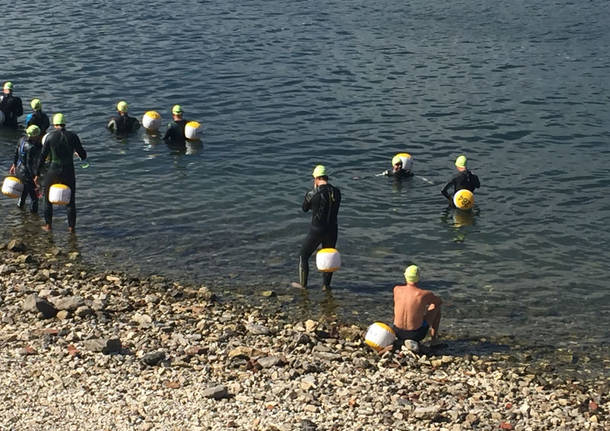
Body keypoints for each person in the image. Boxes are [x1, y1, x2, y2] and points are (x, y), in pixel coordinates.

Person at [34, 113, 87, 233]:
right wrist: (78, 154)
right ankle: (71, 228)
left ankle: (48, 226)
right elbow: (83, 155)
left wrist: (37, 173)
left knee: (47, 199)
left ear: (54, 124)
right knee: (70, 201)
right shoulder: (73, 136)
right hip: (68, 170)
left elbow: (42, 157)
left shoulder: (50, 137)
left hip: (53, 170)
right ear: (64, 123)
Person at [298, 165, 342, 289]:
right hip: (332, 230)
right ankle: (326, 286)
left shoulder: (312, 193)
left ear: (316, 179)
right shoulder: (337, 192)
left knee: (303, 255)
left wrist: (313, 195)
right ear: (326, 177)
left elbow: (304, 208)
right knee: (328, 256)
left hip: (317, 230)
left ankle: (303, 286)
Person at [393, 265, 442, 346]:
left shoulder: (396, 289)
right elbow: (439, 302)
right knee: (436, 307)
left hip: (397, 332)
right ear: (418, 277)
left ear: (405, 276)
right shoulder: (424, 294)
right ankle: (434, 340)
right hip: (416, 335)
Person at [9, 125, 43, 213]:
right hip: (26, 173)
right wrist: (35, 177)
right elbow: (29, 164)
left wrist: (14, 164)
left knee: (24, 191)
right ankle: (34, 217)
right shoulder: (32, 147)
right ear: (35, 136)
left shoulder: (22, 139)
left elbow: (16, 152)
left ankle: (20, 209)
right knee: (34, 198)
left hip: (19, 170)